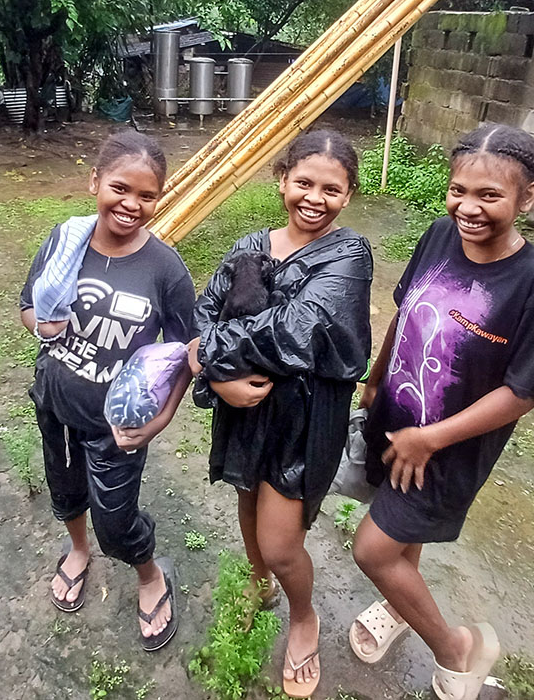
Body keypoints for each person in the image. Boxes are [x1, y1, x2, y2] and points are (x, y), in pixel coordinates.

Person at [348, 124, 534, 700]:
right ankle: (400, 606)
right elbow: (405, 311)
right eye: (458, 190)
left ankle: (456, 650)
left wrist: (432, 440)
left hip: (446, 450)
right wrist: (374, 379)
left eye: (489, 196)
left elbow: (522, 391)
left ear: (529, 196)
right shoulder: (439, 235)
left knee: (371, 549)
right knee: (397, 540)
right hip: (395, 421)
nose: (467, 208)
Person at [189, 130, 373, 698]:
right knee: (248, 501)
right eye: (304, 182)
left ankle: (302, 617)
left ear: (348, 195)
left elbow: (296, 330)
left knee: (281, 540)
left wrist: (207, 357)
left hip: (304, 418)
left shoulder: (349, 255)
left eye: (331, 188)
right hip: (246, 413)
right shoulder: (248, 246)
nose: (314, 197)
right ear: (282, 180)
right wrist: (220, 379)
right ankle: (259, 583)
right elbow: (202, 311)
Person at [18, 131, 195, 651]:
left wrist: (159, 420)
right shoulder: (64, 241)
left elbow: (185, 351)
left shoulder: (166, 270)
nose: (132, 205)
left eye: (147, 196)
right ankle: (77, 550)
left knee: (115, 521)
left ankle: (149, 576)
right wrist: (40, 328)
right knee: (65, 491)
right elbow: (28, 304)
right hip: (54, 402)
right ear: (94, 181)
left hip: (118, 428)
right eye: (120, 188)